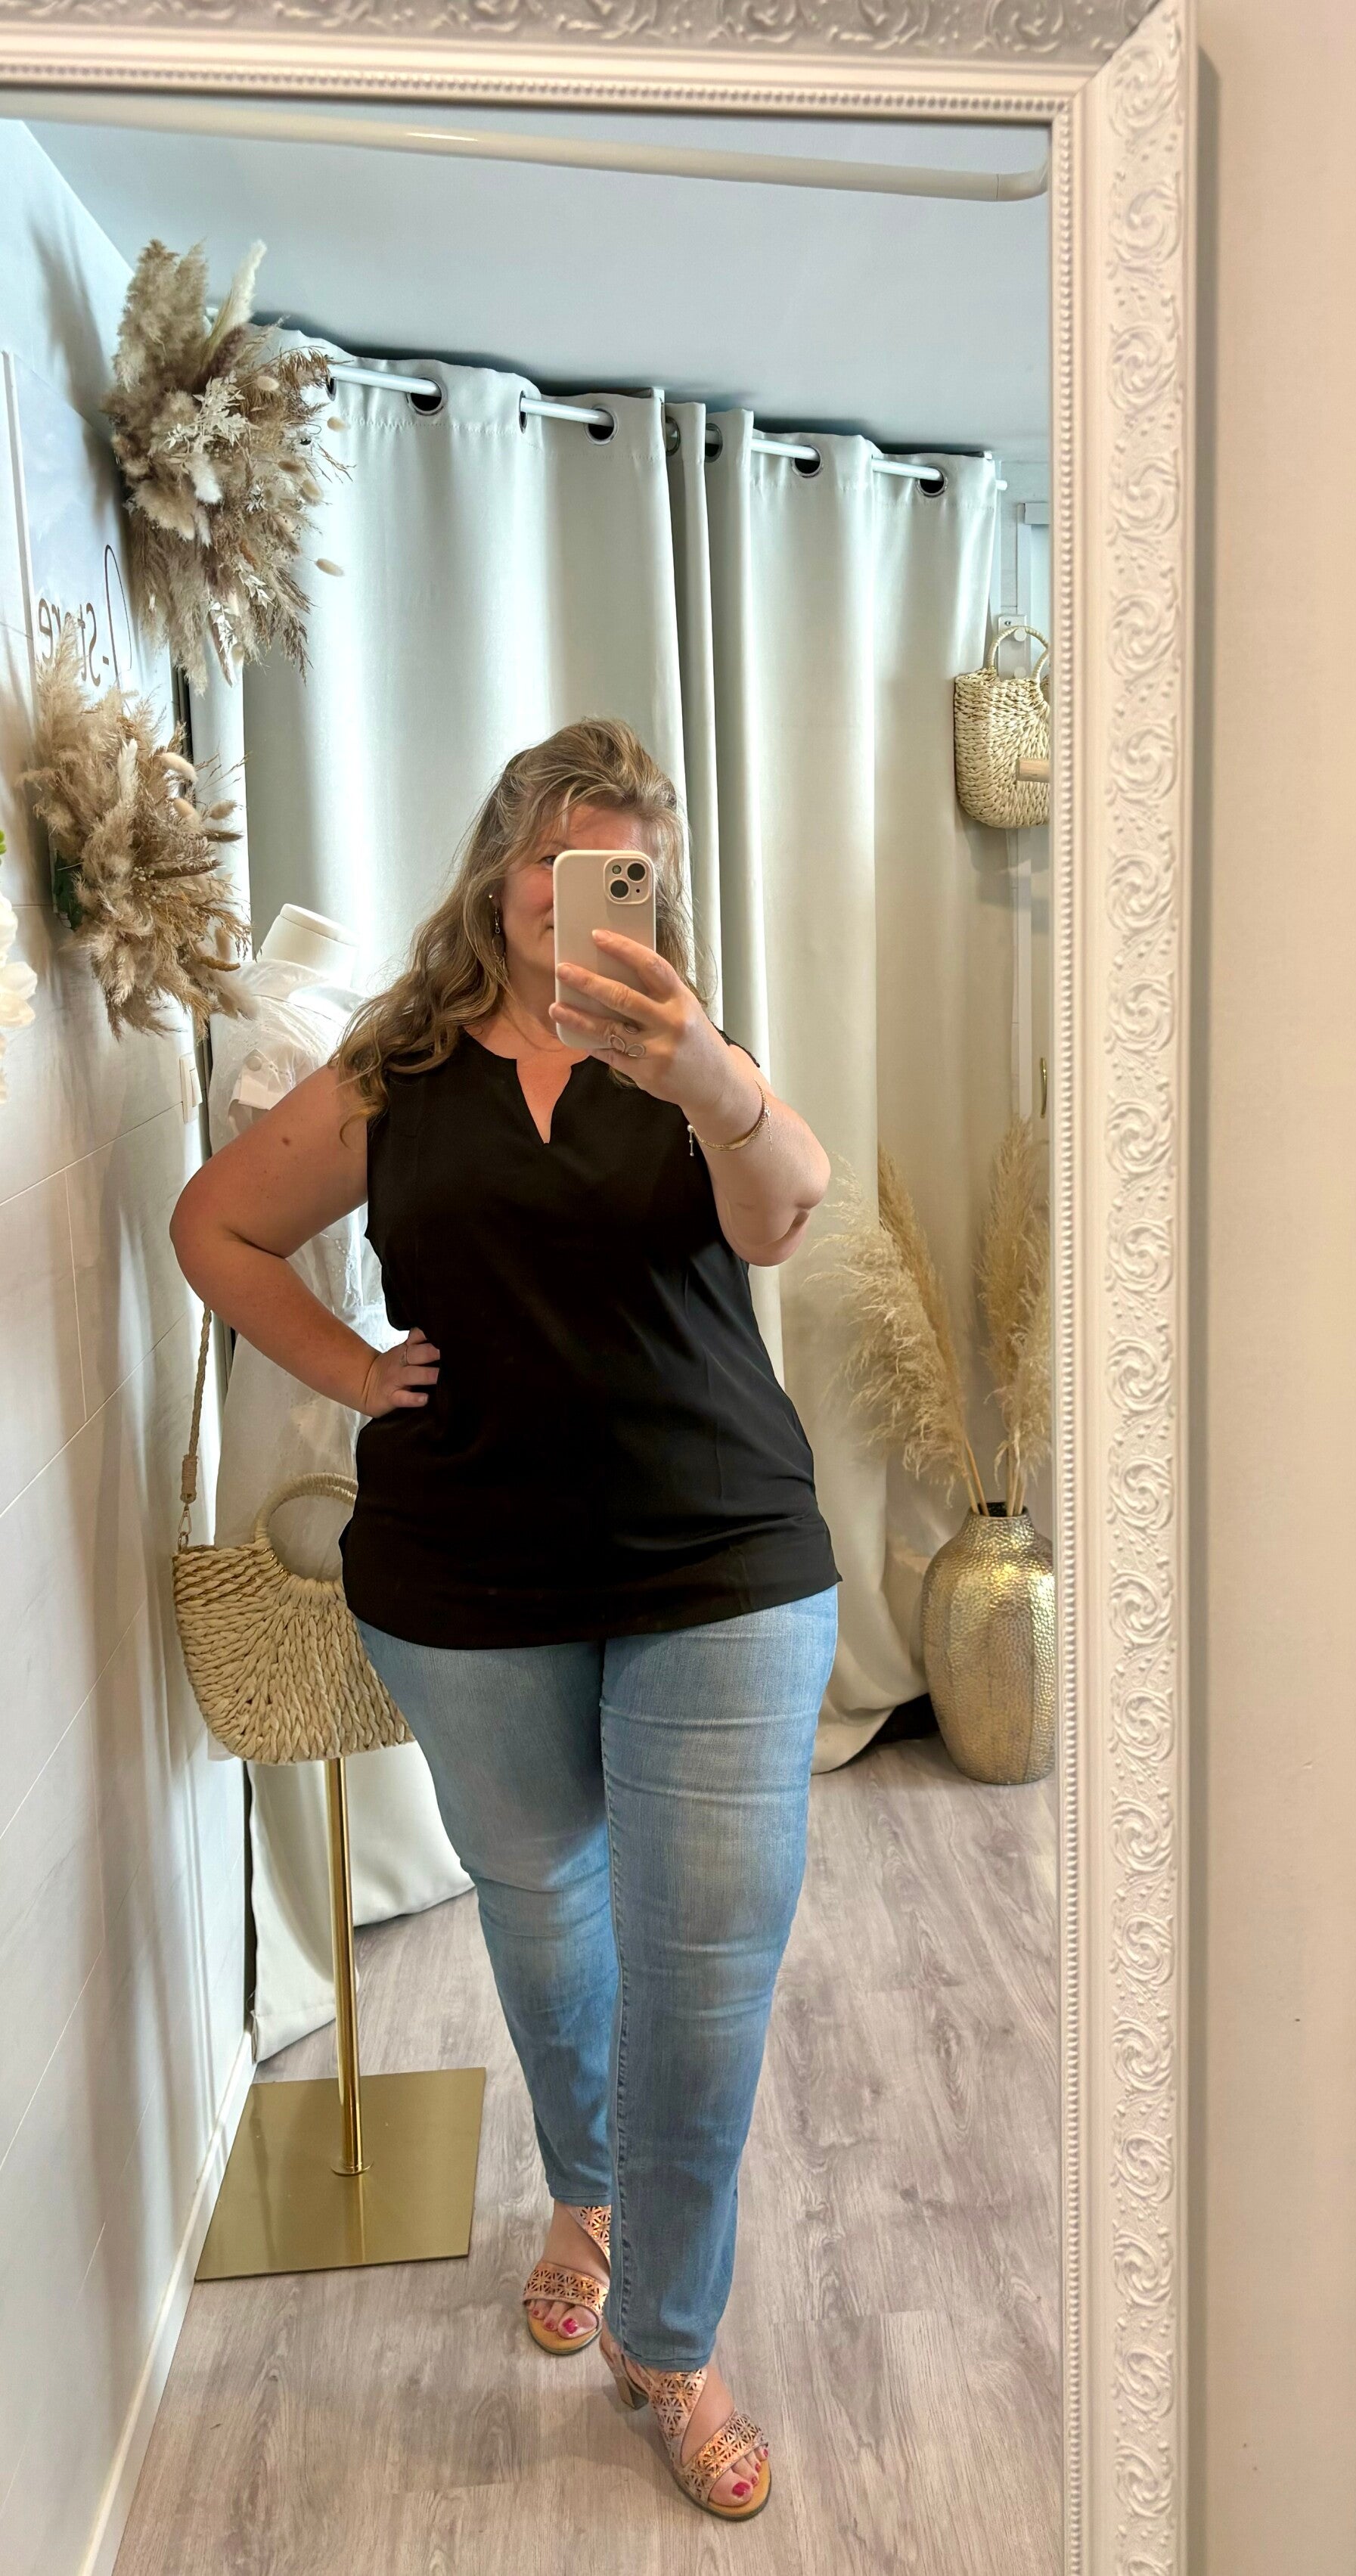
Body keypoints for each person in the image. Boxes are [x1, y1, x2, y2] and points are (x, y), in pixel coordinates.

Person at [170, 718, 841, 2525]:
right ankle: (587, 2192)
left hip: (724, 1556)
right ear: (498, 866)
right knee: (545, 1920)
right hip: (469, 1574)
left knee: (706, 1963)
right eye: (558, 853)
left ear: (654, 888)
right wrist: (351, 1371)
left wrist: (705, 1076)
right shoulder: (394, 1068)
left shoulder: (688, 1052)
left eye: (626, 863)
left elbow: (784, 1214)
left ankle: (671, 2338)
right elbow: (217, 1225)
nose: (583, 889)